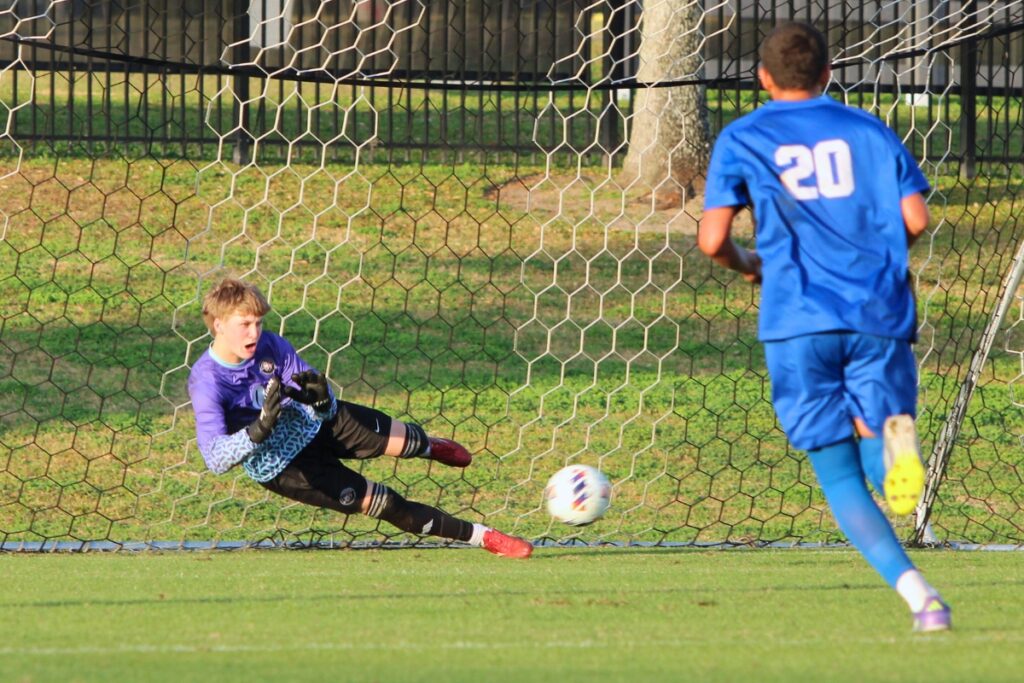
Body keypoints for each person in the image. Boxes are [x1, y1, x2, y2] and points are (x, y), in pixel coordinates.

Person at [698, 22, 950, 631]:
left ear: (763, 78)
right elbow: (914, 217)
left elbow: (712, 242)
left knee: (836, 473)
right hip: (877, 310)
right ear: (828, 74)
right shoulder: (868, 128)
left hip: (797, 315)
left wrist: (751, 265)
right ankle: (895, 466)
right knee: (879, 438)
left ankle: (924, 601)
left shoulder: (745, 135)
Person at [187, 277, 532, 559]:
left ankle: (427, 446)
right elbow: (215, 458)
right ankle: (485, 538)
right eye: (245, 324)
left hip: (315, 425)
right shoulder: (207, 382)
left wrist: (321, 399)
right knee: (388, 504)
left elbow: (320, 399)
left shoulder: (272, 346)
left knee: (403, 442)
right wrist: (257, 431)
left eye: (258, 323)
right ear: (218, 324)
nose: (254, 332)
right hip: (284, 467)